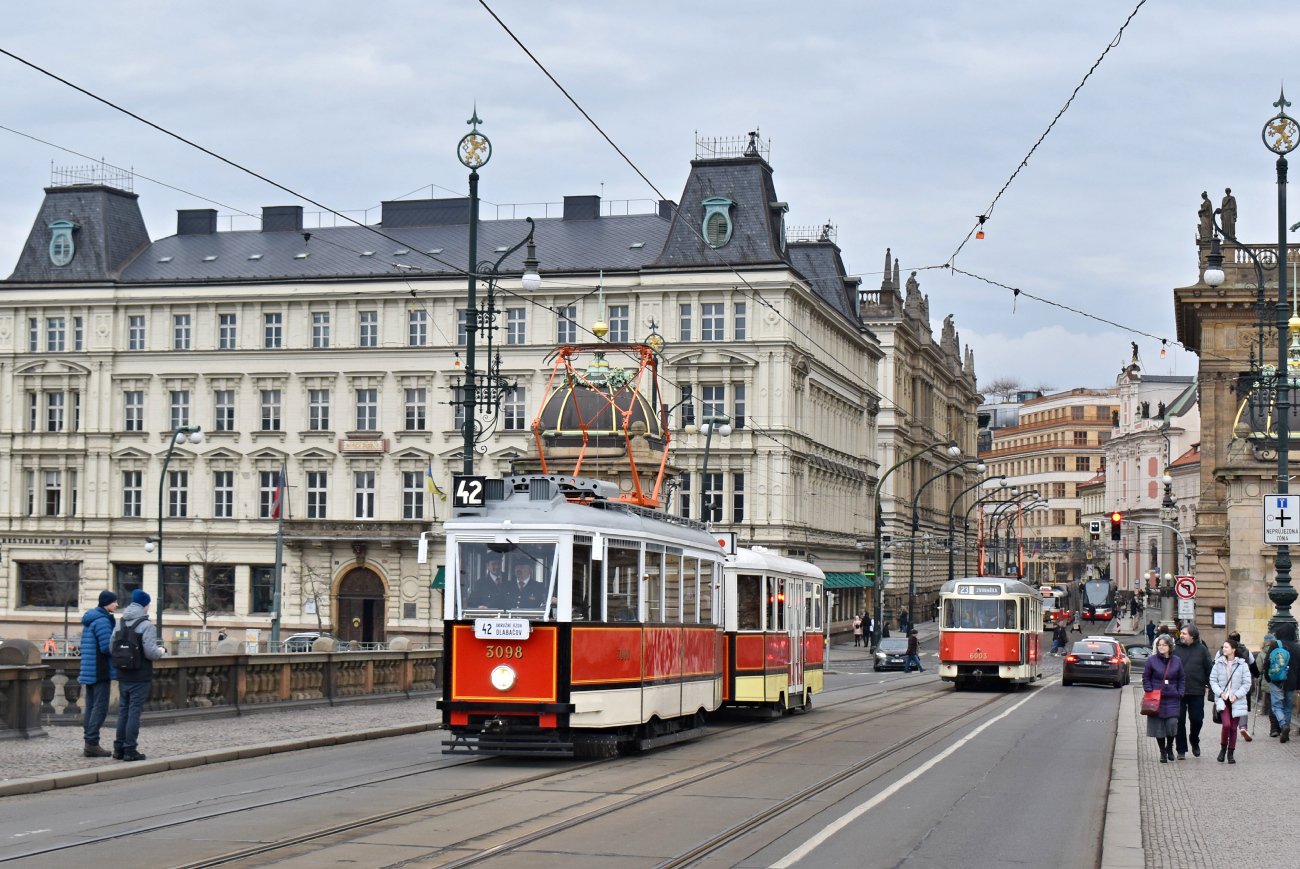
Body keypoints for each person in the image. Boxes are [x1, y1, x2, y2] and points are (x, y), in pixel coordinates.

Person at [112, 589, 166, 762]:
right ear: (146, 604)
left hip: (122, 672)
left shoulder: (120, 622)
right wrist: (161, 651)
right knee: (134, 712)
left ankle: (118, 748)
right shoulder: (146, 625)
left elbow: (110, 647)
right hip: (140, 674)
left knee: (123, 711)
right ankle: (130, 749)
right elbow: (151, 653)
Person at [77, 591, 119, 758]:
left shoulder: (91, 619)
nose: (116, 605)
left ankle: (90, 741)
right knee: (100, 708)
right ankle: (92, 743)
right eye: (114, 602)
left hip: (90, 669)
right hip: (99, 670)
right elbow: (106, 647)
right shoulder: (102, 620)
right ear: (106, 604)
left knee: (91, 706)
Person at [1173, 624, 1213, 759]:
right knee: (1179, 721)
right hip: (1178, 692)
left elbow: (1209, 668)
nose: (1181, 635)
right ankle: (1181, 749)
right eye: (1181, 633)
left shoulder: (1202, 649)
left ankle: (1194, 739)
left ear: (1192, 636)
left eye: (1184, 633)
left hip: (1197, 690)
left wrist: (1209, 684)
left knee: (1197, 720)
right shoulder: (1175, 649)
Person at [1143, 634, 1185, 763]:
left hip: (1172, 697)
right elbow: (1146, 677)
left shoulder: (1177, 660)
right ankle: (1162, 751)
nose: (1161, 647)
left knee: (1171, 724)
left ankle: (1169, 747)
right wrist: (1149, 689)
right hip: (1157, 699)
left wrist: (1180, 692)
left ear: (1170, 647)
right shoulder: (1152, 660)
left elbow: (1181, 678)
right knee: (1158, 726)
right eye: (1159, 645)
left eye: (1164, 645)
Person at [1210, 639, 1252, 763]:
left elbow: (1246, 683)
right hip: (1223, 699)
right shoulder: (1218, 663)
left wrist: (1237, 695)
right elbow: (1213, 680)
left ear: (1233, 649)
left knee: (1233, 728)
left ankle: (1231, 753)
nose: (1224, 649)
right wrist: (1220, 693)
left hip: (1236, 700)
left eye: (1226, 647)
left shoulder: (1242, 664)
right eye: (1223, 647)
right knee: (1226, 725)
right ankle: (1223, 748)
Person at [1269, 623, 1300, 743]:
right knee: (1287, 707)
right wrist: (1298, 685)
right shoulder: (1297, 648)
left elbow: (1268, 662)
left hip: (1277, 680)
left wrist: (1268, 676)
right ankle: (1284, 732)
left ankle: (1283, 725)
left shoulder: (1276, 645)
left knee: (1277, 706)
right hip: (1292, 681)